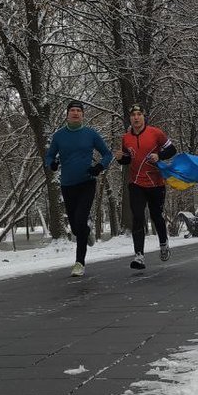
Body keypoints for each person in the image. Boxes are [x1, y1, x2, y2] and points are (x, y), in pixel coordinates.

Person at [44, 100, 113, 277]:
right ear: (67, 114)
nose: (75, 113)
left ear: (82, 115)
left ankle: (79, 263)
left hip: (87, 182)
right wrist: (52, 164)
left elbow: (107, 154)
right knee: (76, 228)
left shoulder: (91, 134)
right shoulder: (59, 136)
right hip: (67, 185)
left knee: (80, 219)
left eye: (78, 111)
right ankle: (86, 232)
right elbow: (49, 156)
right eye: (72, 110)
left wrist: (99, 167)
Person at [115, 104, 178, 270]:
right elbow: (127, 159)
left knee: (156, 216)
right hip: (136, 183)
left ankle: (163, 243)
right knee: (137, 216)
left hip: (156, 182)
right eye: (133, 115)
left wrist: (159, 155)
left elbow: (172, 150)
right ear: (130, 118)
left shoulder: (155, 133)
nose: (136, 117)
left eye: (139, 114)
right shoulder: (126, 138)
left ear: (144, 117)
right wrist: (120, 158)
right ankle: (139, 255)